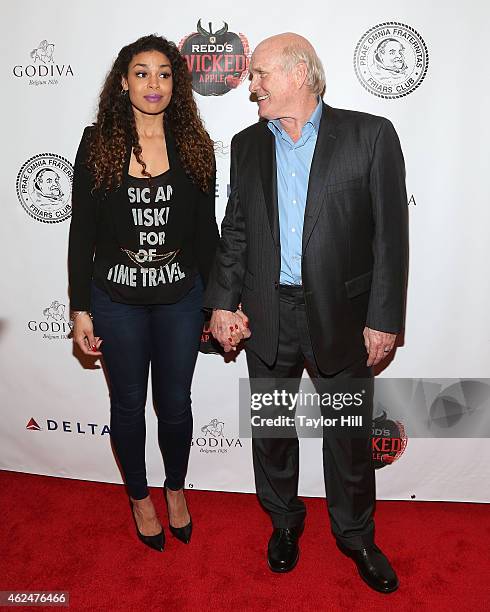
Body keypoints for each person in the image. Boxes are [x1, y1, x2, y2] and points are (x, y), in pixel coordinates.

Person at [205, 33, 408, 593]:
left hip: (342, 316)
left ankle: (357, 536)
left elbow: (392, 236)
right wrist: (223, 304)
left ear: (299, 73)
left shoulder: (369, 136)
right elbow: (236, 234)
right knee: (271, 430)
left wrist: (384, 317)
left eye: (261, 75)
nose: (252, 87)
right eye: (250, 77)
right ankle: (285, 524)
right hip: (269, 313)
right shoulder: (247, 146)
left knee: (347, 437)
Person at [68, 35, 219, 552]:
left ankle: (175, 489)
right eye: (141, 72)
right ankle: (138, 496)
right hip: (115, 299)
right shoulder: (97, 143)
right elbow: (81, 234)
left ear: (177, 83)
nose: (153, 84)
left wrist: (219, 299)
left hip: (180, 297)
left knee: (175, 405)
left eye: (164, 73)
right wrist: (80, 308)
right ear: (123, 81)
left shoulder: (196, 145)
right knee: (128, 405)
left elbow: (207, 234)